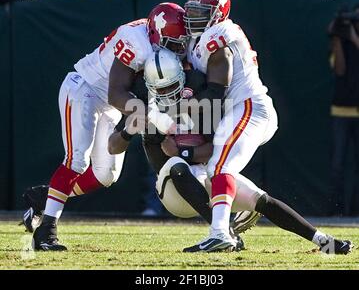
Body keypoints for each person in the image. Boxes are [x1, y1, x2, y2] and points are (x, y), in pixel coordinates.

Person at [109, 48, 353, 254]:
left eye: (171, 86)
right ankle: (225, 231)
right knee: (176, 166)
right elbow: (115, 147)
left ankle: (324, 242)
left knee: (259, 198)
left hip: (204, 172)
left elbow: (216, 149)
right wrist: (129, 132)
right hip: (173, 191)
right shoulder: (147, 108)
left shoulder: (201, 96)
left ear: (184, 78)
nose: (167, 94)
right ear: (149, 86)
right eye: (159, 89)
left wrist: (185, 152)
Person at [179, 0, 353, 253]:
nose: (193, 17)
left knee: (220, 168)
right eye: (191, 11)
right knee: (248, 191)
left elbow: (215, 92)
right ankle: (325, 242)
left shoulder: (221, 33)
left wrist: (181, 106)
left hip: (249, 108)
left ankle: (220, 232)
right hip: (239, 112)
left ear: (218, 13)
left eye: (201, 12)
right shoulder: (199, 40)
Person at [29, 2, 189, 251]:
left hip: (108, 102)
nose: (179, 48)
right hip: (86, 89)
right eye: (174, 42)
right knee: (76, 161)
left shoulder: (157, 37)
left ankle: (46, 196)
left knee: (105, 175)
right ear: (157, 34)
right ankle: (46, 231)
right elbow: (116, 94)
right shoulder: (136, 42)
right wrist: (151, 115)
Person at [328, 5, 359, 216]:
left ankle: (355, 211)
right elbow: (339, 69)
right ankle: (336, 212)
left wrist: (354, 37)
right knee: (337, 165)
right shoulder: (342, 42)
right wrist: (338, 37)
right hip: (341, 111)